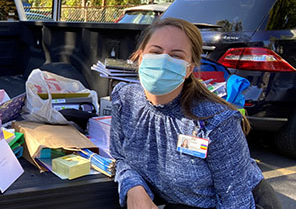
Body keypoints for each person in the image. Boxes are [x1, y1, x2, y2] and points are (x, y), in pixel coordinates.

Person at [110, 17, 281, 209]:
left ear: (189, 69)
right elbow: (120, 157)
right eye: (156, 52)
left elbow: (235, 202)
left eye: (176, 56)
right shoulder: (124, 100)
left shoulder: (216, 121)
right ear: (140, 58)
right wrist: (134, 187)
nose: (164, 61)